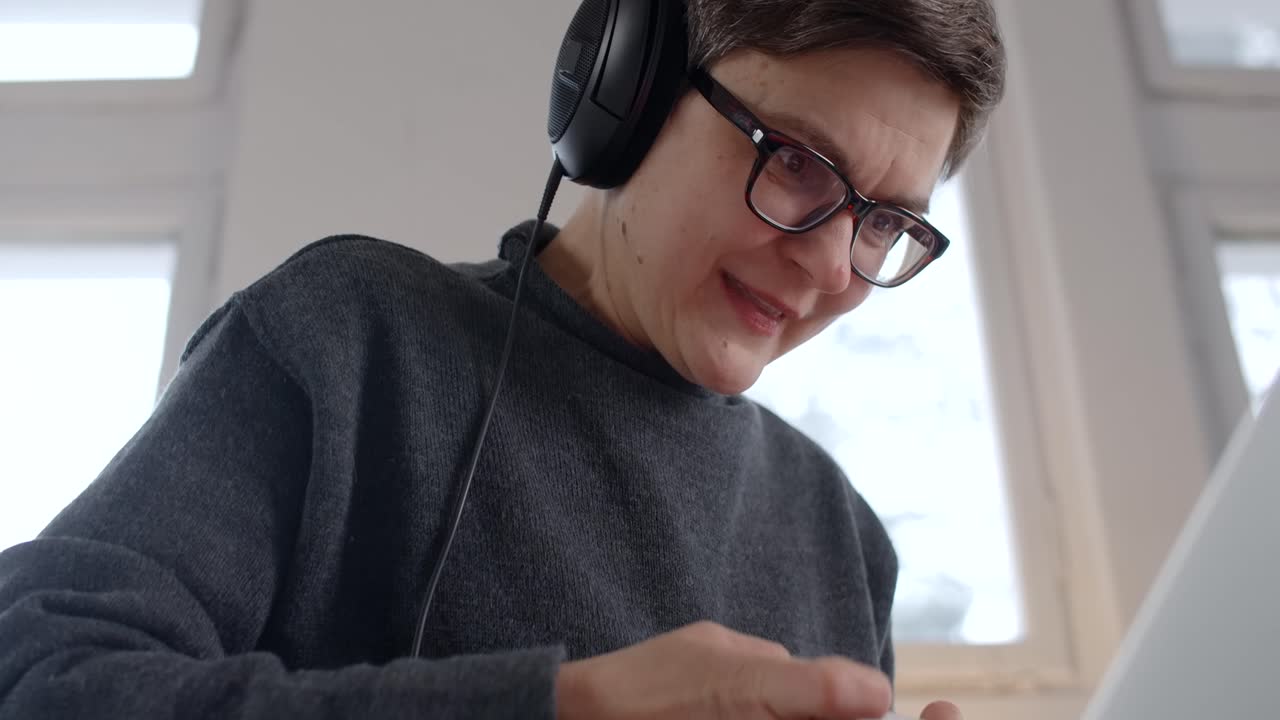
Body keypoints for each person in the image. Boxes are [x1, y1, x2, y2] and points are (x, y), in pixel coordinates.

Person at [0, 0, 1005, 718]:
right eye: (792, 161)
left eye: (884, 223)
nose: (831, 262)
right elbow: (39, 672)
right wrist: (556, 707)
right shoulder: (349, 336)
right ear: (628, 92)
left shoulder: (842, 535)